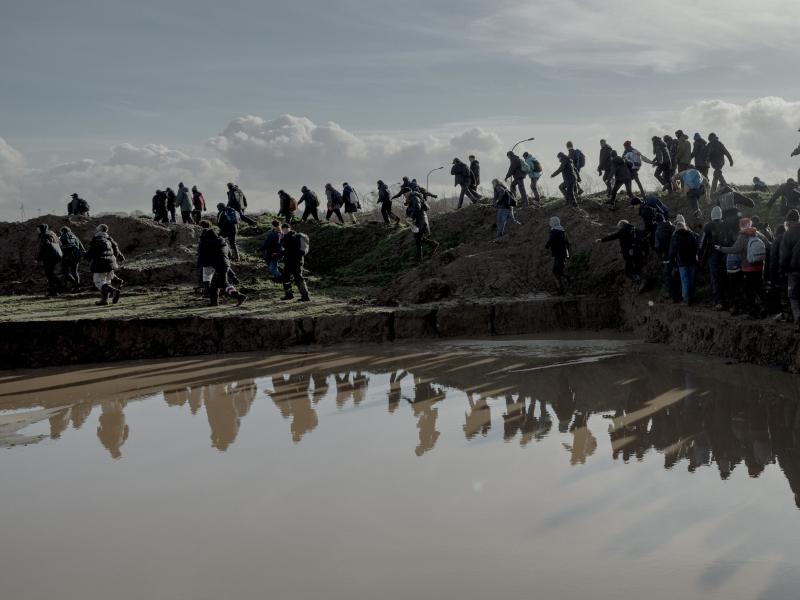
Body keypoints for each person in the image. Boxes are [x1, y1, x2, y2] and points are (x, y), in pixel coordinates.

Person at [716, 217, 769, 318]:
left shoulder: (742, 236)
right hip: (760, 266)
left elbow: (735, 249)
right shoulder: (758, 234)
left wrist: (721, 248)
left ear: (741, 226)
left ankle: (753, 312)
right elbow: (768, 245)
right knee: (759, 287)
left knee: (749, 290)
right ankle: (765, 307)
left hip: (748, 267)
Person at [197, 220, 247, 306]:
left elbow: (203, 253)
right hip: (226, 264)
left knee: (224, 284)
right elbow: (230, 254)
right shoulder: (222, 241)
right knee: (214, 286)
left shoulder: (210, 244)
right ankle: (214, 303)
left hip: (219, 266)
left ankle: (239, 296)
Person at [597, 220, 646, 291]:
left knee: (628, 271)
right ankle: (640, 281)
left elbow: (613, 236)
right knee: (637, 268)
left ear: (621, 226)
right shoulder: (635, 229)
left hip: (629, 254)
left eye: (619, 227)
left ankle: (640, 281)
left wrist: (601, 240)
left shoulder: (623, 231)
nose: (619, 228)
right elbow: (643, 237)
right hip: (638, 252)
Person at [84, 224, 125, 306]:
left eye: (97, 229)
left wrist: (85, 256)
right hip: (111, 263)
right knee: (106, 282)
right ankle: (104, 300)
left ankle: (113, 291)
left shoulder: (96, 240)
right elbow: (116, 250)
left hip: (100, 263)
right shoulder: (109, 239)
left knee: (99, 282)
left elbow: (91, 253)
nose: (96, 230)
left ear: (99, 230)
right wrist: (120, 257)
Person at [699, 206, 728, 310]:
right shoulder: (725, 224)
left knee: (715, 278)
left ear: (712, 215)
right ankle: (727, 301)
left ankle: (718, 302)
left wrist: (699, 254)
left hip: (713, 254)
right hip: (725, 254)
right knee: (725, 277)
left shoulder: (708, 226)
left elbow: (702, 242)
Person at [668, 215, 699, 305]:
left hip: (682, 262)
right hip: (692, 261)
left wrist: (672, 263)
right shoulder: (691, 234)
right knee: (692, 280)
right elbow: (696, 247)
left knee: (684, 281)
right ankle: (692, 297)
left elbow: (672, 251)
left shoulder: (675, 236)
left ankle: (686, 299)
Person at [279, 223, 311, 301]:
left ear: (287, 228)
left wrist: (281, 240)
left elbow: (287, 249)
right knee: (290, 277)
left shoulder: (290, 237)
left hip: (293, 261)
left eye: (284, 229)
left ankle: (303, 296)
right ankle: (295, 295)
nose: (283, 230)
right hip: (297, 260)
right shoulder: (295, 236)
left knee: (295, 278)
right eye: (283, 229)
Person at [779, 209, 800, 324]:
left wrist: (782, 270)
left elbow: (784, 257)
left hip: (794, 271)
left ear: (789, 222)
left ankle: (798, 318)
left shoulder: (788, 234)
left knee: (794, 296)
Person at [406, 190, 438, 261]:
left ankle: (432, 245)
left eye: (404, 194)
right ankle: (420, 257)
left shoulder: (414, 198)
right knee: (419, 239)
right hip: (420, 221)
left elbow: (417, 208)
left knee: (418, 239)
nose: (404, 195)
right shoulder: (414, 198)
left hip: (420, 221)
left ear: (407, 193)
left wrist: (411, 217)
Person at [654, 213, 679, 302]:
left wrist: (660, 255)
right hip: (677, 255)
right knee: (677, 274)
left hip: (666, 257)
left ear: (656, 222)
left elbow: (657, 247)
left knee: (668, 275)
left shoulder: (658, 231)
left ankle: (672, 296)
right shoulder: (673, 227)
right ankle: (680, 294)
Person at [545, 216, 570, 295]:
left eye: (551, 221)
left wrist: (547, 246)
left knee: (556, 272)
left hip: (558, 254)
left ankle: (562, 289)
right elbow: (567, 243)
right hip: (563, 254)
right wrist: (567, 254)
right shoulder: (562, 230)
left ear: (553, 222)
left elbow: (551, 240)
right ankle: (563, 287)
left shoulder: (554, 231)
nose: (550, 222)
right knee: (558, 271)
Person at [36, 224, 63, 297]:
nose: (37, 230)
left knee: (49, 274)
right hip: (56, 256)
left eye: (38, 229)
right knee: (50, 274)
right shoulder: (52, 233)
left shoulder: (44, 235)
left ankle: (58, 287)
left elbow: (43, 248)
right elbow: (60, 244)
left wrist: (38, 258)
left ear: (42, 229)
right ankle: (54, 290)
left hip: (49, 257)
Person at [59, 226, 85, 291]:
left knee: (65, 272)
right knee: (74, 272)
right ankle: (77, 288)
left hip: (67, 257)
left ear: (62, 231)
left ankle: (76, 284)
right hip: (76, 257)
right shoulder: (75, 237)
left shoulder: (62, 237)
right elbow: (82, 248)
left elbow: (61, 248)